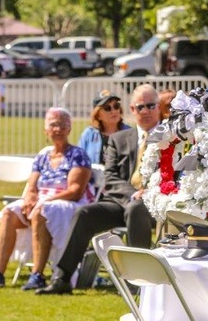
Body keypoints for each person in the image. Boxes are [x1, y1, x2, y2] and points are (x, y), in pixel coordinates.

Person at [38, 84, 162, 295]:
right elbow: (111, 178)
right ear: (132, 110)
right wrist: (132, 194)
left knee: (136, 208)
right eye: (141, 107)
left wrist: (149, 193)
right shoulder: (119, 139)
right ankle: (63, 278)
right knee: (85, 213)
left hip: (155, 205)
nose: (146, 111)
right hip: (124, 201)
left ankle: (136, 281)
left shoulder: (172, 138)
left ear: (159, 107)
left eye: (151, 105)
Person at [0, 108, 92, 290]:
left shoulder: (78, 155)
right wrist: (29, 198)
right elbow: (32, 186)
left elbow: (75, 191)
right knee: (9, 212)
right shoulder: (42, 156)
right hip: (43, 201)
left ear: (69, 129)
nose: (58, 129)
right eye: (53, 125)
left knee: (40, 211)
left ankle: (37, 274)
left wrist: (42, 201)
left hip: (67, 203)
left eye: (63, 125)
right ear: (45, 130)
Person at [78, 90, 130, 164]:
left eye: (116, 106)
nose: (113, 111)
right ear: (98, 115)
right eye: (107, 108)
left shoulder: (130, 132)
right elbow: (80, 161)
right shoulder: (88, 134)